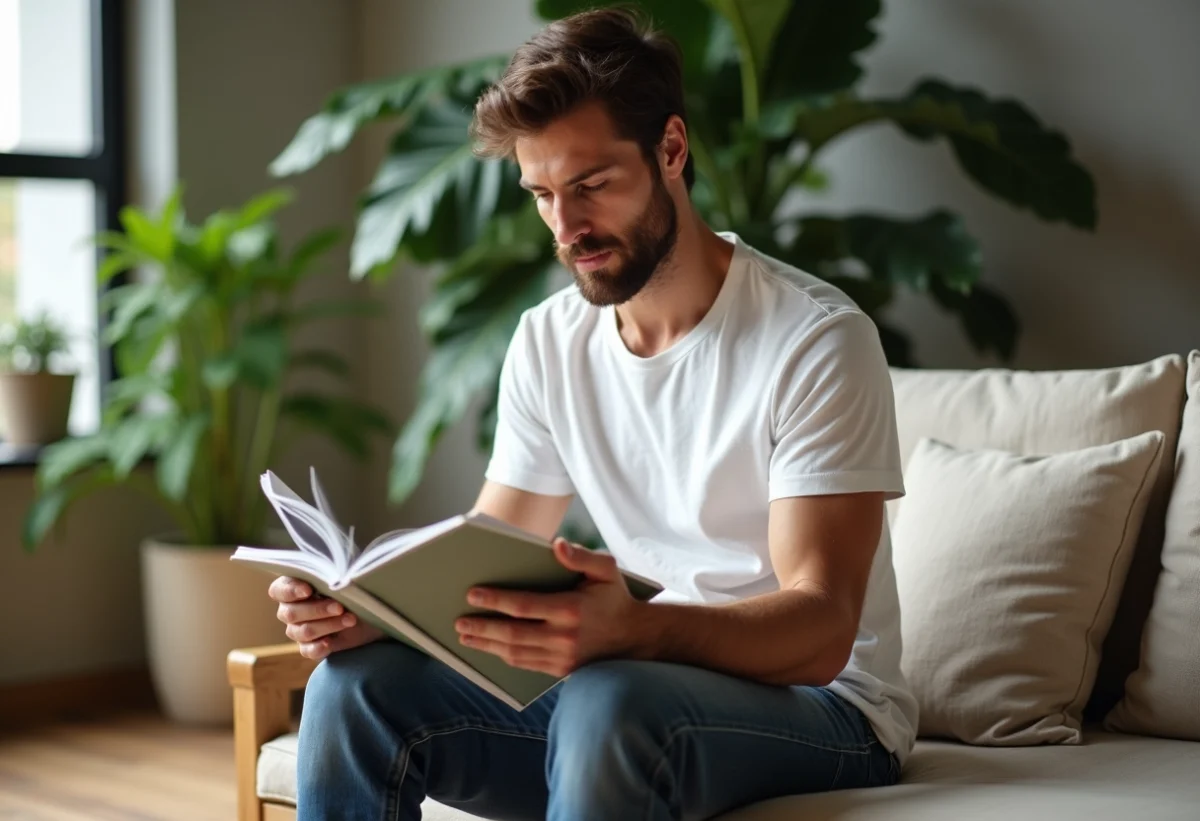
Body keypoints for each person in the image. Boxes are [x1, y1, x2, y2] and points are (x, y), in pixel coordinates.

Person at [268, 8, 917, 820]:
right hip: (629, 689)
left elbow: (821, 629)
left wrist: (634, 631)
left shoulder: (815, 339)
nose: (567, 228)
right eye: (541, 195)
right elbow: (492, 552)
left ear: (671, 150)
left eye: (591, 186)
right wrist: (381, 614)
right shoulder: (549, 341)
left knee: (607, 698)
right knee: (352, 689)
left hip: (829, 713)